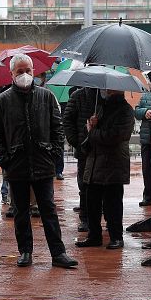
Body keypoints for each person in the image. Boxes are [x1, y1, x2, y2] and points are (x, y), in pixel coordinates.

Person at [0, 54, 78, 268]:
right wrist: (5, 160)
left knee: (48, 210)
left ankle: (58, 254)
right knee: (20, 212)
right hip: (16, 166)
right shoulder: (2, 100)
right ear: (12, 74)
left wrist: (53, 154)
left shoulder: (46, 97)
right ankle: (25, 252)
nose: (25, 75)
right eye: (20, 71)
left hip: (43, 164)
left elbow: (57, 128)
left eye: (28, 71)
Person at [75, 89, 135, 250]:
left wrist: (93, 131)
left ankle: (116, 237)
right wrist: (92, 125)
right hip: (94, 163)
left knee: (113, 203)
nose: (105, 91)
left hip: (113, 164)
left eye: (109, 89)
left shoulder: (126, 111)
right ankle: (94, 236)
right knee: (92, 202)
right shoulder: (101, 107)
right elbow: (91, 134)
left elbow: (115, 136)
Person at [63, 86, 97, 232]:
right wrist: (76, 141)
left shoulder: (107, 95)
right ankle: (85, 218)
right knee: (84, 184)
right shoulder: (78, 96)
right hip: (84, 148)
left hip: (103, 147)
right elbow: (68, 120)